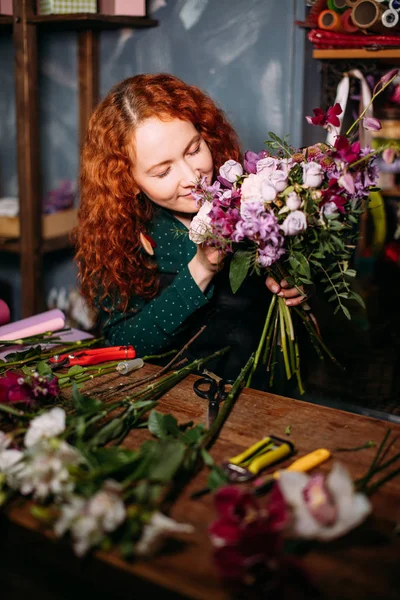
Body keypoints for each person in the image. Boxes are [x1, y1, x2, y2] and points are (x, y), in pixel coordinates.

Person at [75, 73, 306, 389]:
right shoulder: (117, 238)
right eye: (163, 171)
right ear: (126, 181)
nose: (192, 177)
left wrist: (300, 289)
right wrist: (200, 270)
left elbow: (296, 305)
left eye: (194, 149)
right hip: (178, 399)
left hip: (271, 393)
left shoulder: (255, 194)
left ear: (206, 134)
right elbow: (122, 345)